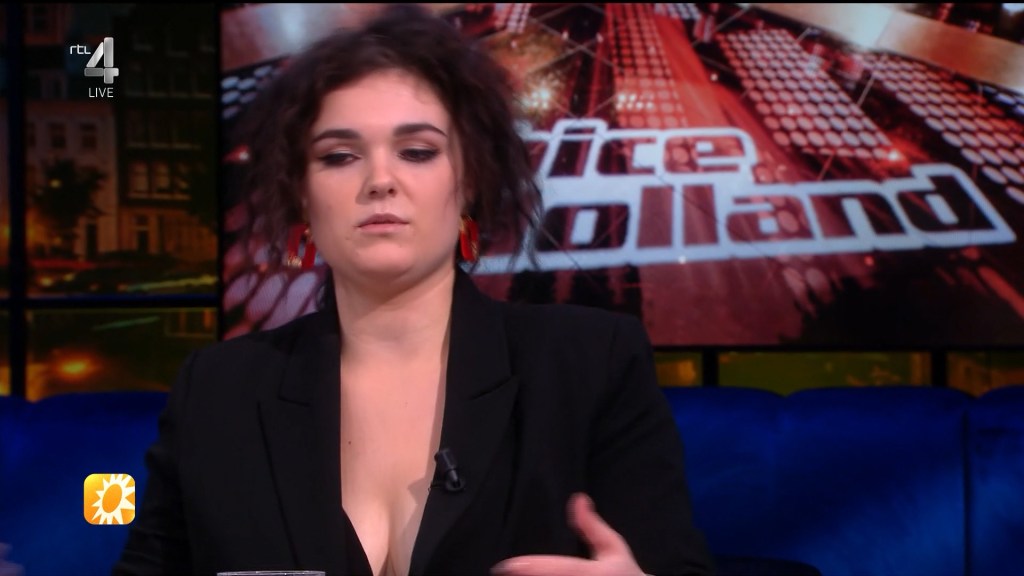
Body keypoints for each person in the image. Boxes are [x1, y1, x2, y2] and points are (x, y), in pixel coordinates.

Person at [114, 5, 714, 576]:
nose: (380, 180)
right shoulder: (218, 390)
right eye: (339, 156)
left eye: (418, 152)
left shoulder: (591, 364)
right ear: (301, 194)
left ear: (470, 181)